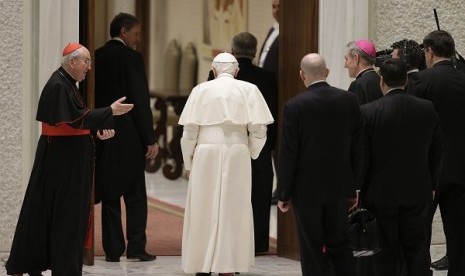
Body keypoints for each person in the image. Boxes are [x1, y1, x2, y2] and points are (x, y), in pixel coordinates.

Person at [5, 43, 133, 276]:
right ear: (72, 62)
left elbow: (76, 121)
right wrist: (109, 112)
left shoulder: (66, 84)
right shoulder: (57, 85)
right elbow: (73, 121)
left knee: (65, 216)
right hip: (64, 165)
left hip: (67, 161)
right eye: (86, 62)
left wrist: (97, 129)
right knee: (67, 217)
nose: (89, 67)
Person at [179, 52, 273, 276]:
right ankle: (228, 265)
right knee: (234, 207)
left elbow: (189, 132)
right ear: (237, 71)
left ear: (213, 70)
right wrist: (249, 151)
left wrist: (188, 161)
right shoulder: (250, 90)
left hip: (205, 152)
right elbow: (260, 131)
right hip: (237, 152)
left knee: (203, 206)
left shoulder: (200, 90)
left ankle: (201, 264)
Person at [277, 53, 361, 276]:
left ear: (302, 75)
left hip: (307, 191)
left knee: (311, 247)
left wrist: (283, 192)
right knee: (340, 245)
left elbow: (288, 153)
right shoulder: (349, 100)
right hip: (340, 186)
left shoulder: (294, 106)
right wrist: (356, 186)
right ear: (327, 72)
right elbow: (358, 146)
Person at [360, 58, 443, 276]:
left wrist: (359, 188)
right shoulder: (426, 108)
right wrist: (433, 183)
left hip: (380, 192)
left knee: (385, 248)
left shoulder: (368, 112)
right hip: (418, 189)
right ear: (406, 80)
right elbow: (436, 151)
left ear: (381, 81)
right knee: (416, 246)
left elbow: (363, 156)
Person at [94, 12, 159, 262]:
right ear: (123, 31)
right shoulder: (132, 58)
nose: (138, 38)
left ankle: (112, 249)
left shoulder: (97, 56)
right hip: (129, 134)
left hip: (104, 131)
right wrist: (150, 138)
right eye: (136, 33)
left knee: (110, 192)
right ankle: (136, 246)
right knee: (135, 194)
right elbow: (139, 101)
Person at [207, 32, 278, 254]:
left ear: (232, 50)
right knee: (259, 193)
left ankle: (229, 242)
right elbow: (272, 113)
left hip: (227, 142)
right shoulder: (267, 77)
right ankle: (258, 243)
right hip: (260, 143)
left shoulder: (215, 76)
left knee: (230, 192)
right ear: (255, 51)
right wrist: (271, 145)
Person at [409, 30, 465, 276]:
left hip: (427, 169)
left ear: (429, 52)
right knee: (459, 232)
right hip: (461, 166)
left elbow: (411, 122)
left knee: (420, 231)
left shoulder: (421, 81)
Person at [345, 39, 384, 105]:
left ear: (356, 58)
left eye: (346, 59)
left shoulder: (357, 85)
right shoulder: (382, 81)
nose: (345, 65)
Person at [258, 0, 279, 77]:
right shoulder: (272, 30)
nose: (276, 10)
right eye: (274, 7)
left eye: (279, 7)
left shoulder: (287, 31)